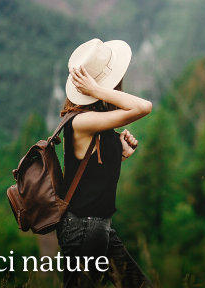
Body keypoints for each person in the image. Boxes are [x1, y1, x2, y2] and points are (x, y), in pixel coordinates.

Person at [56, 38, 153, 287]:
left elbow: (89, 170)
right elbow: (143, 107)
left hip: (99, 228)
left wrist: (117, 152)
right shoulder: (80, 121)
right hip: (84, 228)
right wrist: (97, 90)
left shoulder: (96, 121)